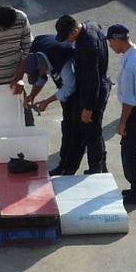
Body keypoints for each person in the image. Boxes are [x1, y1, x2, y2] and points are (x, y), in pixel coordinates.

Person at [54, 14, 111, 175]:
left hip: (93, 93)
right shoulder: (92, 25)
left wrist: (88, 107)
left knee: (92, 133)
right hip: (94, 88)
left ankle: (96, 168)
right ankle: (74, 167)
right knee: (83, 130)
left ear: (76, 30)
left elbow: (92, 80)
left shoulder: (87, 47)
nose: (67, 41)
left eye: (67, 36)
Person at [106, 23, 136, 207]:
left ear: (118, 40)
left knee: (131, 152)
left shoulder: (130, 67)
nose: (110, 46)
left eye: (111, 41)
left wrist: (122, 124)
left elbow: (128, 101)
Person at [24, 43, 80, 174]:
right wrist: (32, 95)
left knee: (76, 130)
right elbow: (41, 78)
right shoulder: (37, 55)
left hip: (80, 89)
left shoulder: (61, 62)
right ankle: (63, 164)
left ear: (43, 65)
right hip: (64, 84)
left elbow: (69, 87)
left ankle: (71, 169)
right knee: (66, 127)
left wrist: (47, 101)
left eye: (39, 72)